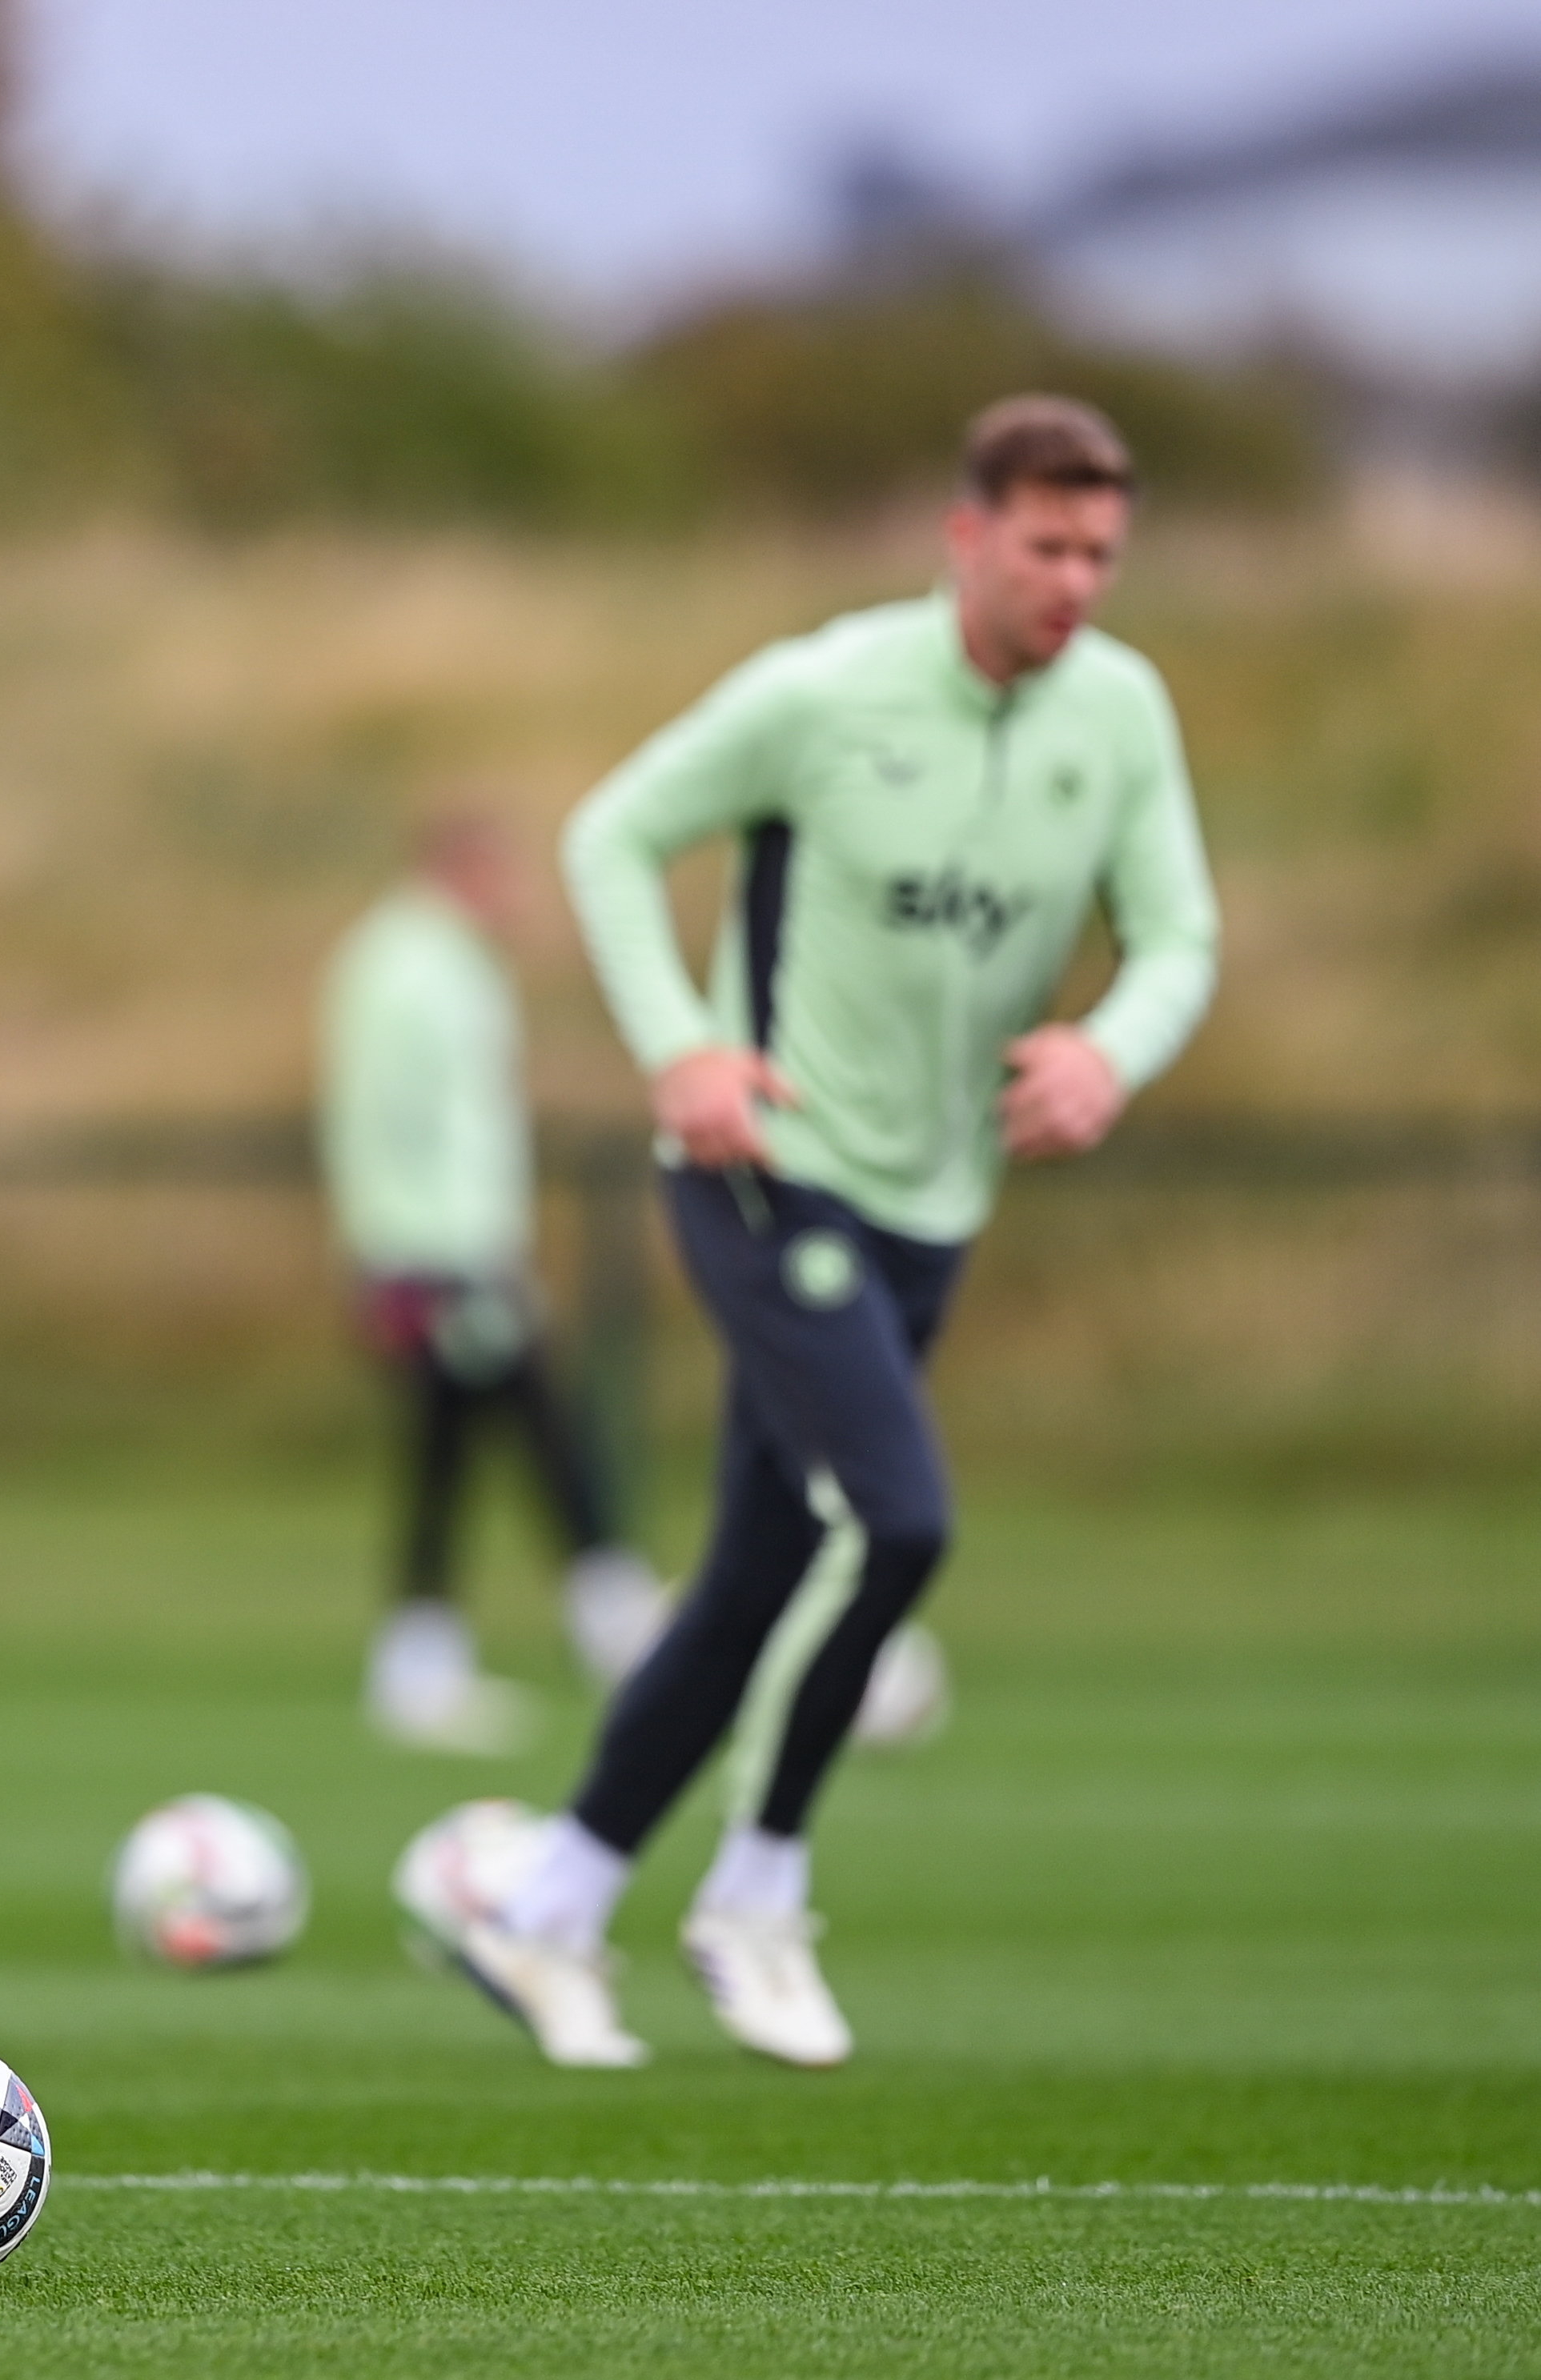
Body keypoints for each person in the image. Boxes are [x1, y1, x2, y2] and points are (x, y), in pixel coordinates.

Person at [403, 396, 1217, 2069]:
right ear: (965, 535)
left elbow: (1177, 934)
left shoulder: (1116, 713)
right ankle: (752, 1893)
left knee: (756, 1571)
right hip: (765, 1173)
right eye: (1045, 544)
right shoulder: (823, 693)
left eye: (1099, 553)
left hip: (934, 1202)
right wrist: (678, 1049)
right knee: (899, 1523)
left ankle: (545, 1902)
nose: (1073, 579)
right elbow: (610, 834)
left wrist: (1102, 1048)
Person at [319, 810, 663, 1752]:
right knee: (522, 1427)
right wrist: (412, 1262)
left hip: (461, 1250)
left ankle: (431, 1655)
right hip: (435, 1258)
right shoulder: (402, 966)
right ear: (464, 869)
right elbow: (386, 1119)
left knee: (463, 1440)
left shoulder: (447, 963)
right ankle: (606, 1614)